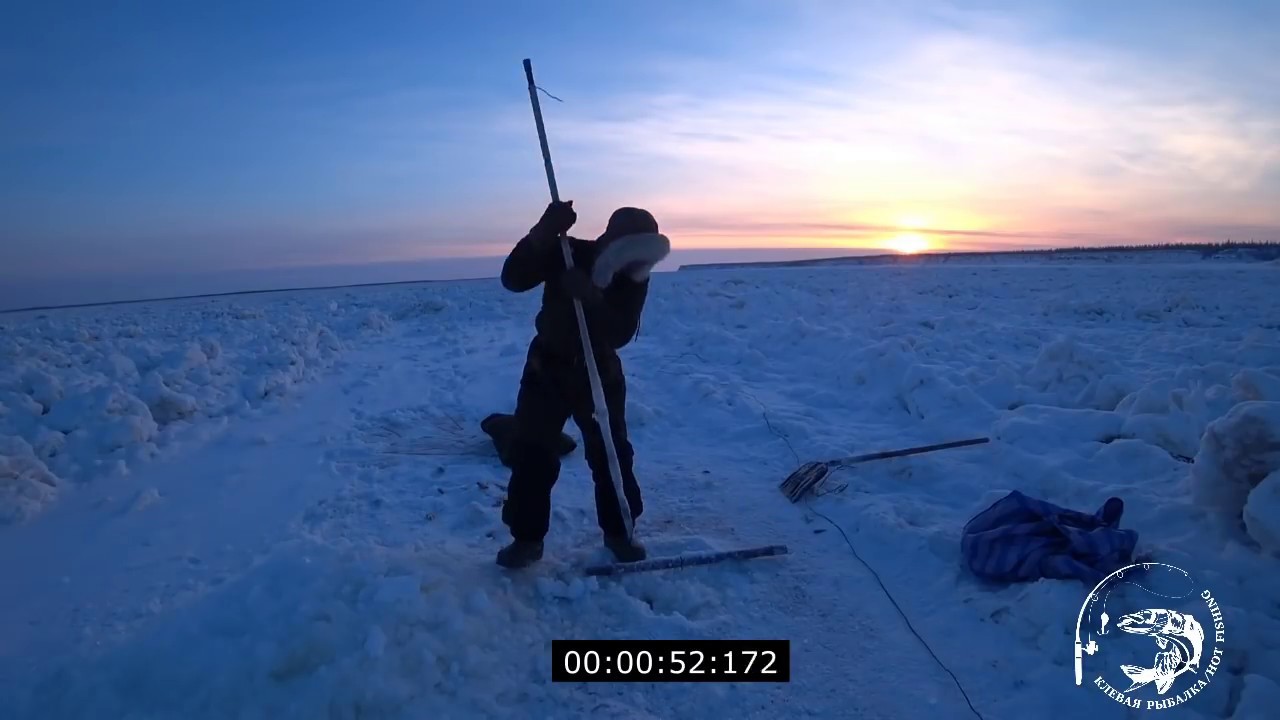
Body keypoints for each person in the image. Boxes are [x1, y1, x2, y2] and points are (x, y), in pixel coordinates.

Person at [495, 200, 669, 569]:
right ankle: (526, 539)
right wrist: (544, 231)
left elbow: (620, 331)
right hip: (547, 369)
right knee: (531, 452)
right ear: (609, 240)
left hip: (599, 373)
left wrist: (589, 296)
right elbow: (513, 279)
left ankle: (620, 533)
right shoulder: (567, 252)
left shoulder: (634, 277)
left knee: (611, 454)